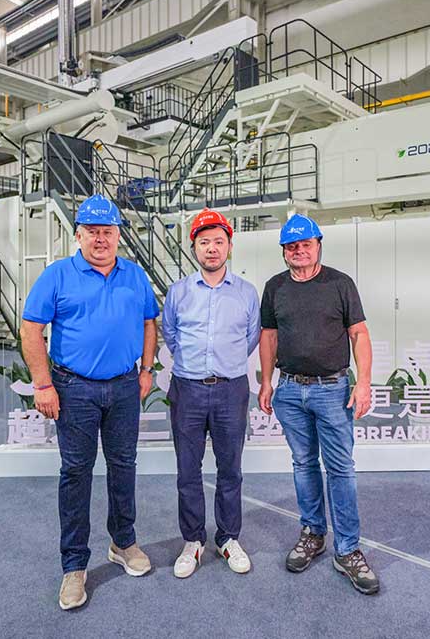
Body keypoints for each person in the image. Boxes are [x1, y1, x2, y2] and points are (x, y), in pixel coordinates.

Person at [20, 194, 159, 610]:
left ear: (118, 236)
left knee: (123, 465)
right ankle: (75, 565)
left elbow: (149, 322)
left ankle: (123, 543)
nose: (101, 239)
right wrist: (43, 385)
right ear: (78, 235)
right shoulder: (57, 275)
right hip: (74, 388)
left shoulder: (134, 275)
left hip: (124, 387)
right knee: (76, 472)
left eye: (108, 232)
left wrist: (147, 370)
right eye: (92, 232)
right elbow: (31, 329)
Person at [257, 213, 379, 595]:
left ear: (318, 245)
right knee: (304, 464)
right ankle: (313, 533)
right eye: (292, 246)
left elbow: (359, 334)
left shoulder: (339, 284)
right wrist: (266, 382)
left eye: (305, 244)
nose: (299, 251)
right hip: (290, 391)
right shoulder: (275, 287)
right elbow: (269, 337)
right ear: (284, 251)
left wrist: (364, 383)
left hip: (333, 390)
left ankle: (348, 549)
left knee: (340, 468)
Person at [162, 209, 260, 578]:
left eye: (219, 241)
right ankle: (193, 541)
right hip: (187, 389)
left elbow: (251, 338)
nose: (212, 248)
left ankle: (228, 537)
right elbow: (171, 334)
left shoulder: (247, 293)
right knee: (187, 470)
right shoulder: (178, 292)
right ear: (194, 248)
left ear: (229, 246)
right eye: (204, 242)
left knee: (230, 468)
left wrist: (223, 363)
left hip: (231, 390)